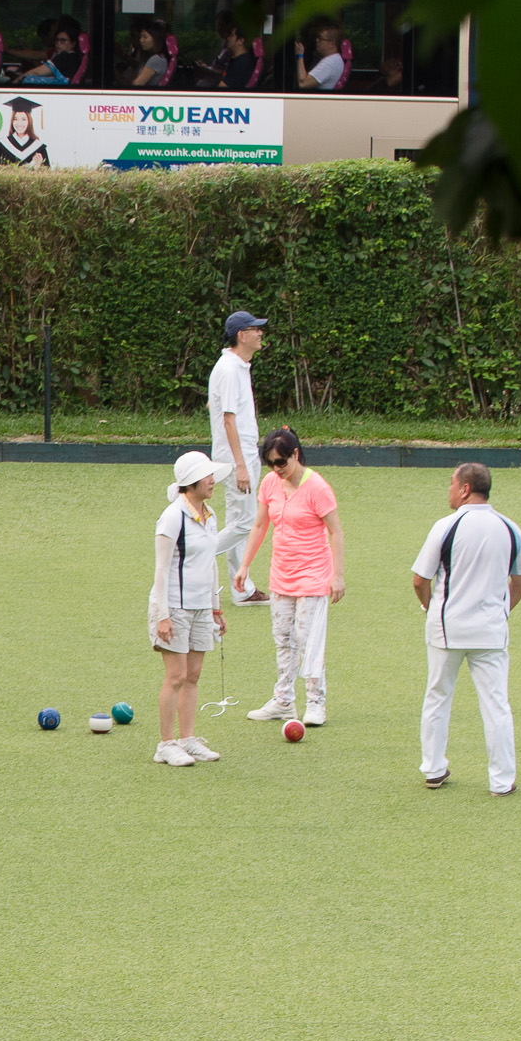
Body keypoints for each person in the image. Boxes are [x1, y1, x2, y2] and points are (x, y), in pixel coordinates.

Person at [411, 463, 521, 795]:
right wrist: (501, 612)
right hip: (491, 632)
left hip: (446, 630)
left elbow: (420, 580)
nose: (449, 490)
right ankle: (502, 781)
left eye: (451, 483)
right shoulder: (510, 528)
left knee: (437, 697)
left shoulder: (445, 526)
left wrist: (430, 608)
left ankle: (434, 769)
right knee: (496, 705)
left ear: (465, 489)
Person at [237, 428, 346, 727]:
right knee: (283, 640)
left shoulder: (317, 487)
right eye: (271, 464)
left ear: (295, 454)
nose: (276, 469)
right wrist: (244, 565)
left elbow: (336, 531)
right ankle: (283, 700)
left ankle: (315, 702)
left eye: (281, 462)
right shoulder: (270, 484)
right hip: (281, 575)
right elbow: (260, 526)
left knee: (308, 640)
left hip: (313, 575)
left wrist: (337, 576)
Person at [147, 452, 245, 768]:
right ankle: (166, 744)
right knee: (175, 676)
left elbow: (210, 563)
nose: (213, 481)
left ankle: (187, 739)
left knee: (193, 675)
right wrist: (163, 615)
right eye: (207, 476)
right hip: (175, 607)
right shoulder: (172, 516)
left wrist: (216, 608)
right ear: (191, 482)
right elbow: (161, 569)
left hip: (202, 607)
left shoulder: (210, 515)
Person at [204, 311, 272, 604]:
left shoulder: (234, 367)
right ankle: (194, 557)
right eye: (255, 329)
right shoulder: (230, 369)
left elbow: (214, 405)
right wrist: (240, 466)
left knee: (237, 520)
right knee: (246, 523)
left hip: (239, 454)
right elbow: (228, 420)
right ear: (241, 335)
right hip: (237, 457)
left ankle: (241, 589)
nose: (260, 333)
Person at [0, 97, 48, 166]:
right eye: (15, 119)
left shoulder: (38, 148)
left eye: (23, 119)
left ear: (29, 121)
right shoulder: (1, 147)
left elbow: (47, 171)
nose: (19, 123)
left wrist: (37, 167)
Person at [296, 21, 346, 90]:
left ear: (332, 44)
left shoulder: (329, 63)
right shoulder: (336, 58)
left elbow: (303, 84)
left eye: (321, 39)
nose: (317, 40)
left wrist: (300, 55)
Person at [212, 15, 258, 89]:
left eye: (231, 35)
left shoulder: (241, 64)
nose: (228, 37)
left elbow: (221, 90)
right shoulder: (241, 60)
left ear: (240, 41)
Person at [127, 18, 169, 86]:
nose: (141, 40)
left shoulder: (156, 59)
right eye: (140, 37)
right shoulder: (148, 57)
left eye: (145, 37)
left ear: (155, 38)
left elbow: (136, 85)